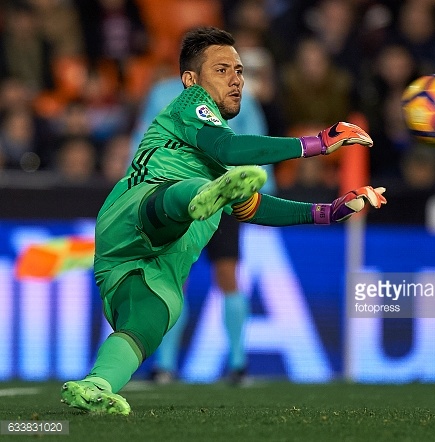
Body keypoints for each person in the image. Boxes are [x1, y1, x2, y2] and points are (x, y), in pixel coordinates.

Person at [60, 26, 386, 415]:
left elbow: (256, 207)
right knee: (187, 190)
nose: (236, 79)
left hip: (152, 262)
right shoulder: (190, 104)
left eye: (240, 70)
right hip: (136, 211)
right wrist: (317, 142)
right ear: (191, 79)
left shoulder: (223, 155)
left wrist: (327, 212)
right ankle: (197, 198)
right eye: (222, 70)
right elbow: (230, 148)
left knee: (147, 322)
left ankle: (95, 385)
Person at [131, 76, 273, 386]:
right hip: (176, 196)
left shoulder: (238, 97)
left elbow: (255, 140)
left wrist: (262, 194)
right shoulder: (162, 92)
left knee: (227, 276)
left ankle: (237, 363)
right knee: (174, 278)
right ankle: (165, 365)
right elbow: (144, 137)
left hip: (223, 197)